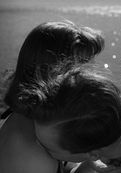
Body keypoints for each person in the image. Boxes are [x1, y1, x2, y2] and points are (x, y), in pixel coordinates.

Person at [0, 21, 106, 173]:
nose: (92, 74)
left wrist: (86, 167)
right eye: (83, 65)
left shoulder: (34, 121)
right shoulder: (31, 155)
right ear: (50, 70)